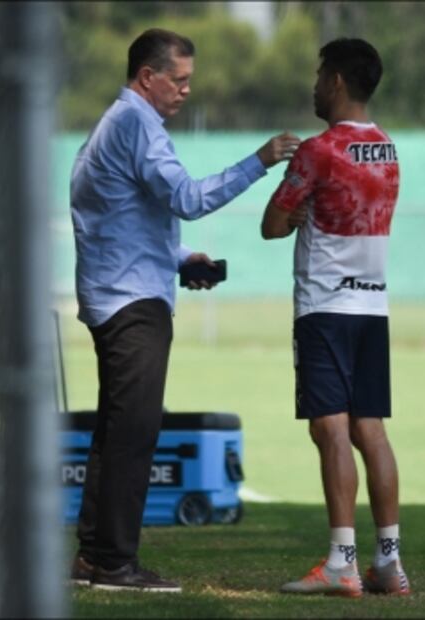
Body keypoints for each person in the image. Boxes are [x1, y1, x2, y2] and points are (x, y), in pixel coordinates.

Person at [68, 28, 300, 593]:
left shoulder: (111, 125)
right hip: (132, 305)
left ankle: (92, 556)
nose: (187, 91)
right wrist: (261, 160)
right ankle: (116, 564)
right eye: (180, 80)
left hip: (115, 292)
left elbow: (117, 221)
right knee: (134, 435)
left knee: (113, 432)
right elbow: (189, 200)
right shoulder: (138, 125)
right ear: (148, 77)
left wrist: (178, 259)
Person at [260, 38, 410, 598]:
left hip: (325, 307)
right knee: (372, 430)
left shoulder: (318, 151)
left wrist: (295, 215)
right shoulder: (388, 147)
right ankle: (389, 562)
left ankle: (342, 563)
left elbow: (272, 227)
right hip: (374, 305)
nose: (316, 84)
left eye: (321, 74)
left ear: (339, 82)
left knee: (330, 430)